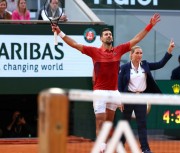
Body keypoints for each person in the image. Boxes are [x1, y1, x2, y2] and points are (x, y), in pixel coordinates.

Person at [51, 13, 160, 152]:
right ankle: (101, 148)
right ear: (101, 38)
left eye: (110, 34)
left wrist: (150, 25)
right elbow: (74, 44)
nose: (108, 35)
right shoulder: (94, 51)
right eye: (106, 34)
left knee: (108, 124)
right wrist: (60, 32)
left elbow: (137, 38)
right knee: (101, 122)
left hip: (114, 92)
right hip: (100, 92)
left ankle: (105, 147)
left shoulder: (119, 50)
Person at [118, 40, 175, 153]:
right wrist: (120, 100)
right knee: (125, 124)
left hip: (141, 98)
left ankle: (145, 148)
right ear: (131, 54)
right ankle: (120, 146)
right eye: (137, 53)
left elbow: (160, 64)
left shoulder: (145, 65)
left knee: (142, 124)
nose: (139, 55)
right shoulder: (124, 67)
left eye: (141, 53)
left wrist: (169, 50)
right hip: (128, 98)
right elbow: (119, 84)